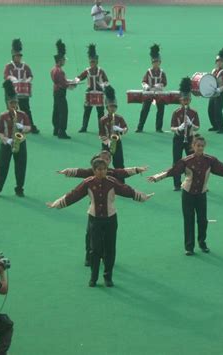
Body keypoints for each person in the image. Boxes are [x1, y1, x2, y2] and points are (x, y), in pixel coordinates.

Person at [46, 158, 153, 287]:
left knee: (110, 249)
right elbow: (73, 195)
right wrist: (56, 203)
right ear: (94, 170)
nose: (102, 172)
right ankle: (93, 277)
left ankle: (108, 277)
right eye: (99, 170)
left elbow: (127, 190)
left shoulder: (112, 182)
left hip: (111, 219)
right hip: (94, 220)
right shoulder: (87, 183)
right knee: (94, 250)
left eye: (104, 169)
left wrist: (142, 197)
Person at [148, 135, 223, 255]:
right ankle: (189, 247)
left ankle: (202, 243)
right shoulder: (186, 161)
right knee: (189, 220)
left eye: (202, 146)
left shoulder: (210, 160)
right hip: (187, 194)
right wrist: (157, 177)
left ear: (204, 146)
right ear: (193, 146)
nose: (200, 148)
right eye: (198, 146)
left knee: (202, 220)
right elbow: (173, 170)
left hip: (201, 194)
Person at [57, 150, 148, 267]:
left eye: (107, 159)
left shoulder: (111, 172)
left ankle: (105, 257)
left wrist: (137, 170)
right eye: (102, 158)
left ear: (110, 161)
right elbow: (80, 172)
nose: (104, 160)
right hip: (94, 208)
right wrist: (67, 172)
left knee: (107, 236)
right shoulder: (92, 171)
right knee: (90, 233)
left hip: (108, 207)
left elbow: (123, 172)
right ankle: (89, 256)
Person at [0, 80, 31, 197]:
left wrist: (22, 127)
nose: (14, 105)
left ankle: (19, 189)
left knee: (21, 167)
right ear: (7, 104)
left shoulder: (23, 115)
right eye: (11, 103)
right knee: (1, 167)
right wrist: (6, 140)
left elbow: (29, 128)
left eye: (15, 103)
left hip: (20, 143)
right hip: (6, 144)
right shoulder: (2, 117)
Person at [4, 38, 39, 134]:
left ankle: (30, 126)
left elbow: (30, 76)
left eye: (20, 56)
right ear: (13, 56)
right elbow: (6, 76)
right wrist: (12, 78)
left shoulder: (25, 66)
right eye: (17, 56)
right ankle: (11, 128)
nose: (19, 58)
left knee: (26, 110)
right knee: (12, 110)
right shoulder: (9, 66)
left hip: (23, 90)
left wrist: (27, 80)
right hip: (11, 91)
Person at [171, 77, 200, 191]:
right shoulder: (176, 112)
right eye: (184, 100)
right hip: (178, 139)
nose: (185, 102)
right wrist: (179, 127)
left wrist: (191, 124)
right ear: (180, 100)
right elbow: (172, 127)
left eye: (187, 100)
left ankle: (193, 182)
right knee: (177, 162)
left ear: (190, 100)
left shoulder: (193, 112)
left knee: (193, 161)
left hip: (190, 139)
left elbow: (197, 127)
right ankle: (177, 184)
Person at [77, 44, 109, 133]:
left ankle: (101, 128)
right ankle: (84, 127)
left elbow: (106, 81)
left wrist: (104, 85)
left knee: (100, 112)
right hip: (90, 93)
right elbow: (80, 77)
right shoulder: (87, 71)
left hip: (99, 93)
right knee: (87, 111)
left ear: (97, 62)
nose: (92, 63)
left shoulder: (101, 71)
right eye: (91, 62)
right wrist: (75, 80)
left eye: (94, 62)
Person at [136, 44, 167, 133]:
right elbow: (144, 81)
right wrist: (146, 86)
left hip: (159, 93)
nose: (155, 64)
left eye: (157, 62)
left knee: (161, 110)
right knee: (145, 110)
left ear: (160, 62)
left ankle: (158, 128)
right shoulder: (148, 72)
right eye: (154, 62)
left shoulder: (162, 72)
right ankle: (140, 127)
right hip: (149, 93)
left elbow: (165, 82)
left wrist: (159, 85)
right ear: (152, 63)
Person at [51, 39, 77, 139]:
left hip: (55, 92)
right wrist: (72, 84)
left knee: (56, 111)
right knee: (63, 112)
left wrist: (69, 82)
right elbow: (63, 84)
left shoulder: (54, 69)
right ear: (60, 60)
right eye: (63, 60)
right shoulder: (60, 71)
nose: (64, 61)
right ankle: (62, 131)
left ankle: (56, 129)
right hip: (61, 93)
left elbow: (61, 81)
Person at [99, 86, 128, 173]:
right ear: (107, 108)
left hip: (117, 142)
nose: (113, 109)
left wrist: (120, 129)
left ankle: (120, 182)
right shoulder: (103, 119)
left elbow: (125, 128)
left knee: (119, 163)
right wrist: (107, 141)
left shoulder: (119, 118)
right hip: (106, 143)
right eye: (110, 107)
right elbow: (101, 134)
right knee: (103, 163)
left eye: (114, 107)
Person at [207, 46, 223, 134]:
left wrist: (219, 90)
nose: (219, 63)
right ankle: (215, 126)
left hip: (220, 94)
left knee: (218, 110)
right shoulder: (214, 71)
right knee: (210, 109)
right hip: (213, 93)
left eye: (221, 62)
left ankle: (222, 127)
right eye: (218, 61)